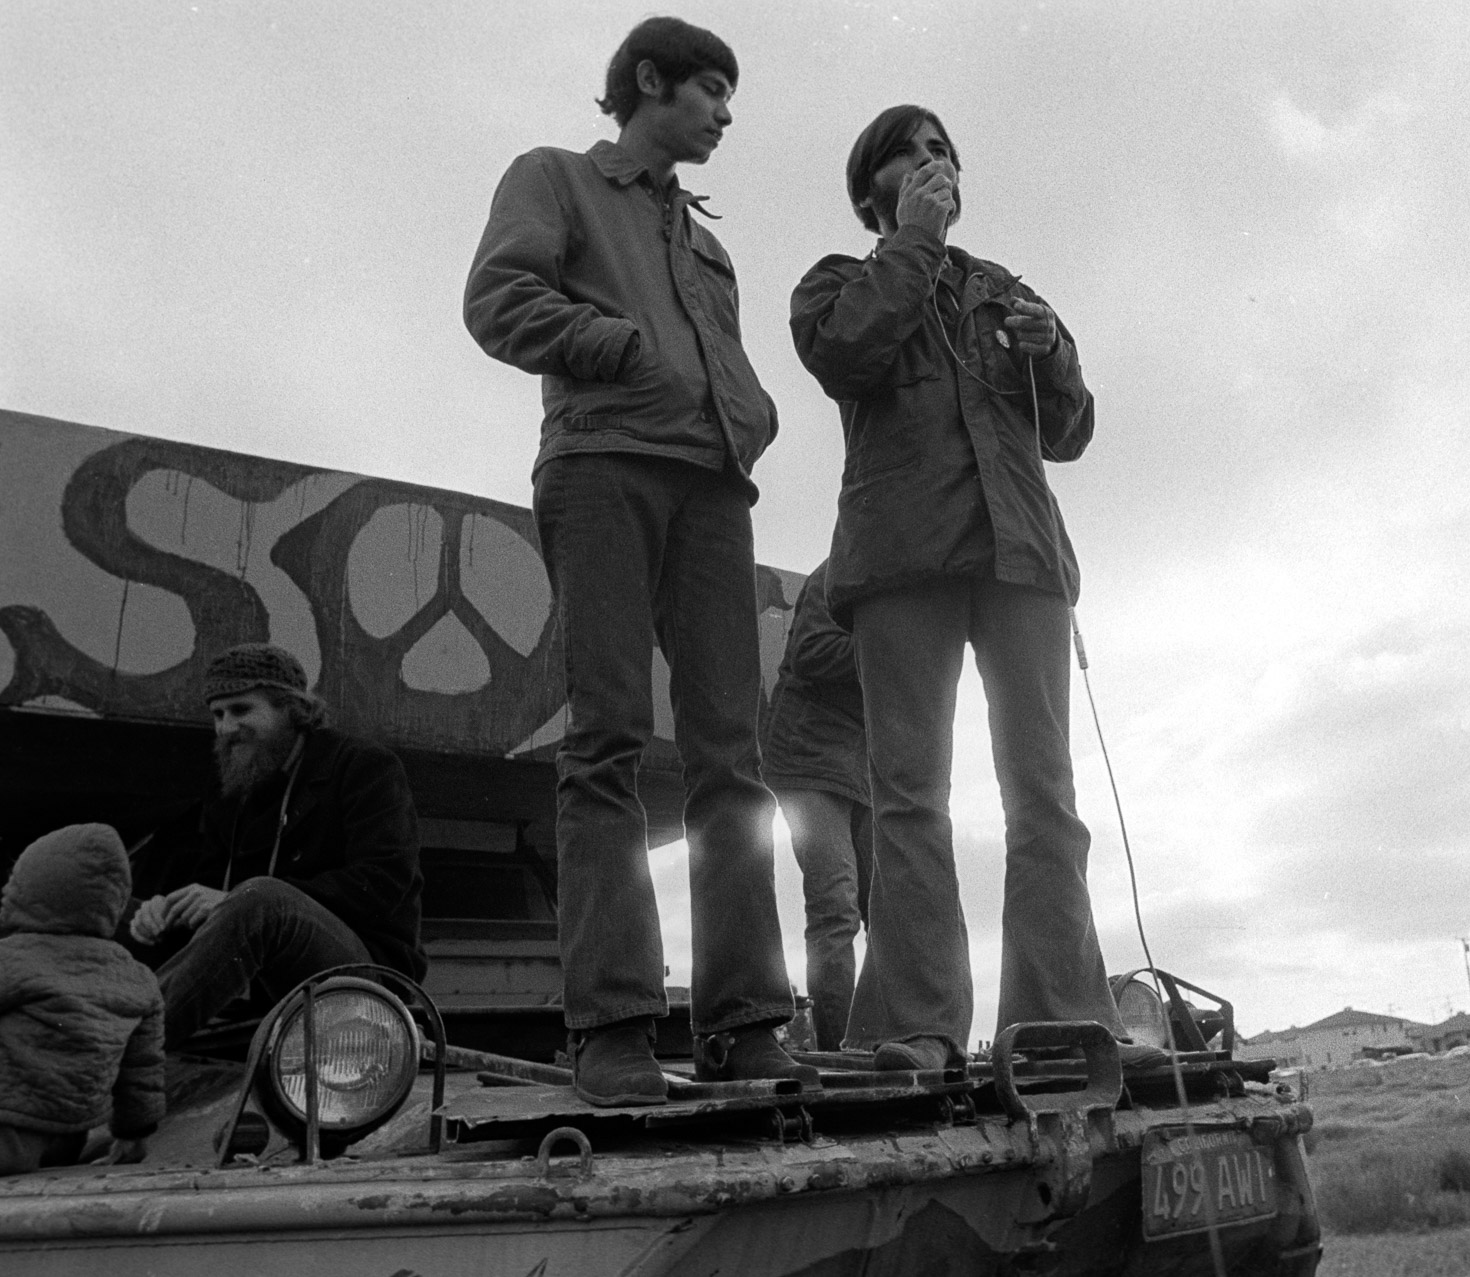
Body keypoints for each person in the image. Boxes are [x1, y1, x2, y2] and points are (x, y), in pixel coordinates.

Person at [463, 17, 812, 1105]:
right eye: (710, 89)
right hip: (601, 466)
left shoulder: (707, 244)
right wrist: (615, 347)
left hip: (713, 487)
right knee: (609, 732)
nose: (724, 112)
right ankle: (611, 1025)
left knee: (731, 756)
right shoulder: (557, 176)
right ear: (648, 81)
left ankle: (748, 1020)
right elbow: (496, 300)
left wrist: (748, 417)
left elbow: (723, 366)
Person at [789, 105, 1165, 1073]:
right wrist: (914, 243)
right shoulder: (836, 282)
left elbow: (1069, 430)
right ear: (871, 189)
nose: (936, 161)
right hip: (902, 560)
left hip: (1022, 562)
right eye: (912, 154)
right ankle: (916, 1025)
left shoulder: (1005, 291)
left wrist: (1051, 353)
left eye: (945, 151)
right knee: (909, 793)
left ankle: (1059, 1014)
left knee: (1045, 794)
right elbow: (847, 352)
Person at [128, 643, 425, 1049]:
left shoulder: (362, 765)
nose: (225, 728)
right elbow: (210, 885)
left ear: (291, 708)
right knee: (124, 912)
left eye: (241, 710)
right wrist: (164, 909)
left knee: (261, 898)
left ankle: (120, 1052)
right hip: (260, 981)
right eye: (217, 714)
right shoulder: (231, 788)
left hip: (360, 970)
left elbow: (384, 880)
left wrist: (237, 900)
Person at [1, 824, 164, 1175]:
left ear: (33, 893)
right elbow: (142, 1071)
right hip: (70, 1135)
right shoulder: (136, 976)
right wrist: (133, 1134)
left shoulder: (11, 958)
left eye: (16, 882)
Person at [762, 560, 874, 1053]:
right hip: (808, 759)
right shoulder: (837, 572)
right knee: (836, 908)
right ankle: (838, 1051)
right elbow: (811, 651)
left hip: (864, 769)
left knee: (890, 909)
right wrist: (892, 644)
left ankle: (881, 1037)